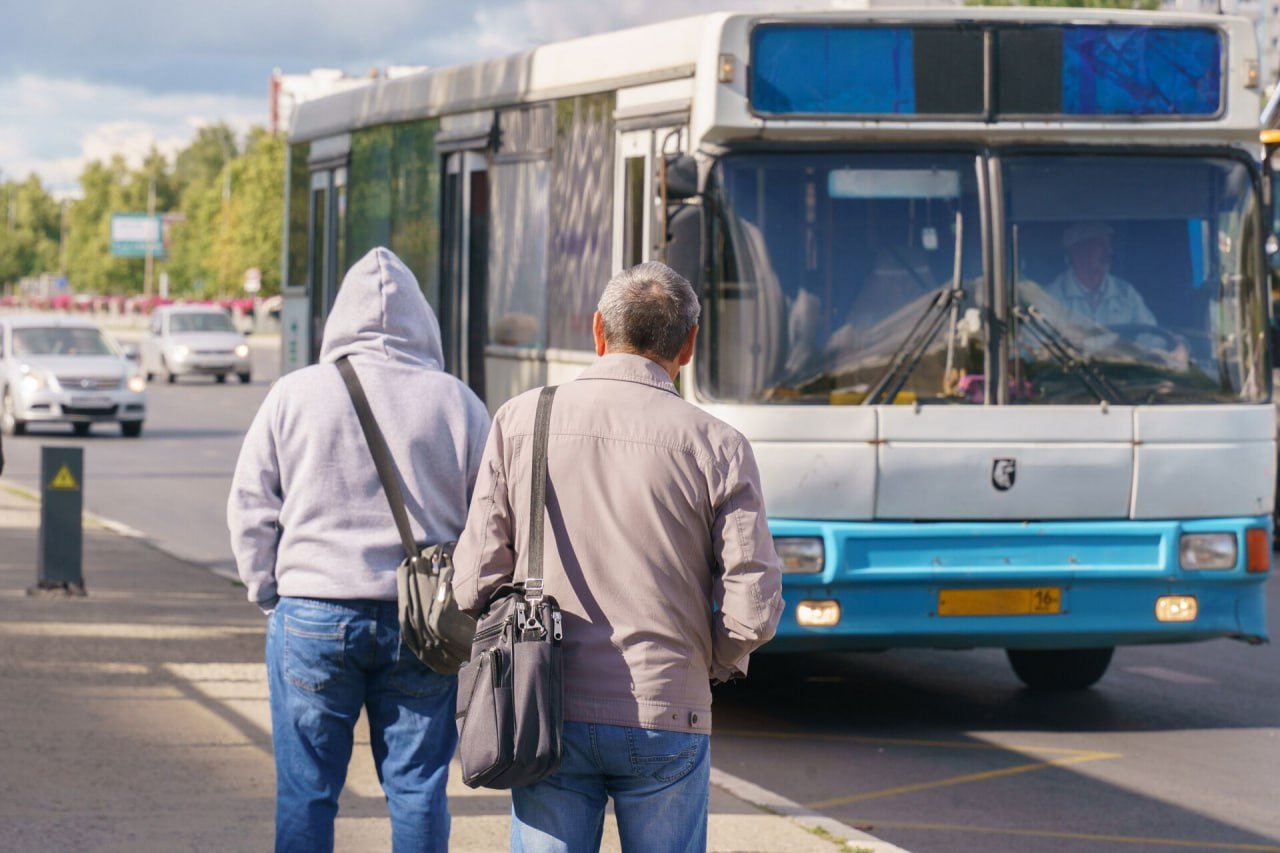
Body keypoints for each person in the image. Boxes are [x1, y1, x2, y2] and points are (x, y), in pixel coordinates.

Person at [452, 261, 785, 853]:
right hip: (669, 709)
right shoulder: (720, 445)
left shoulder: (522, 419)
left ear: (598, 331)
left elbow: (474, 579)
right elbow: (753, 610)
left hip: (544, 706)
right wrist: (710, 661)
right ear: (687, 345)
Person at [227, 247, 491, 853]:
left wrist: (269, 593)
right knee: (419, 788)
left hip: (312, 610)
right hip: (423, 623)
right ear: (424, 322)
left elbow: (250, 506)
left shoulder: (294, 395)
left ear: (338, 319)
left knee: (307, 790)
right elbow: (489, 519)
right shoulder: (457, 402)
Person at [1040, 222, 1157, 332]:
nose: (1109, 251)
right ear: (1077, 252)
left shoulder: (1126, 293)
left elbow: (1151, 337)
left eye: (1109, 245)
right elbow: (1035, 346)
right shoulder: (1050, 297)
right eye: (1100, 245)